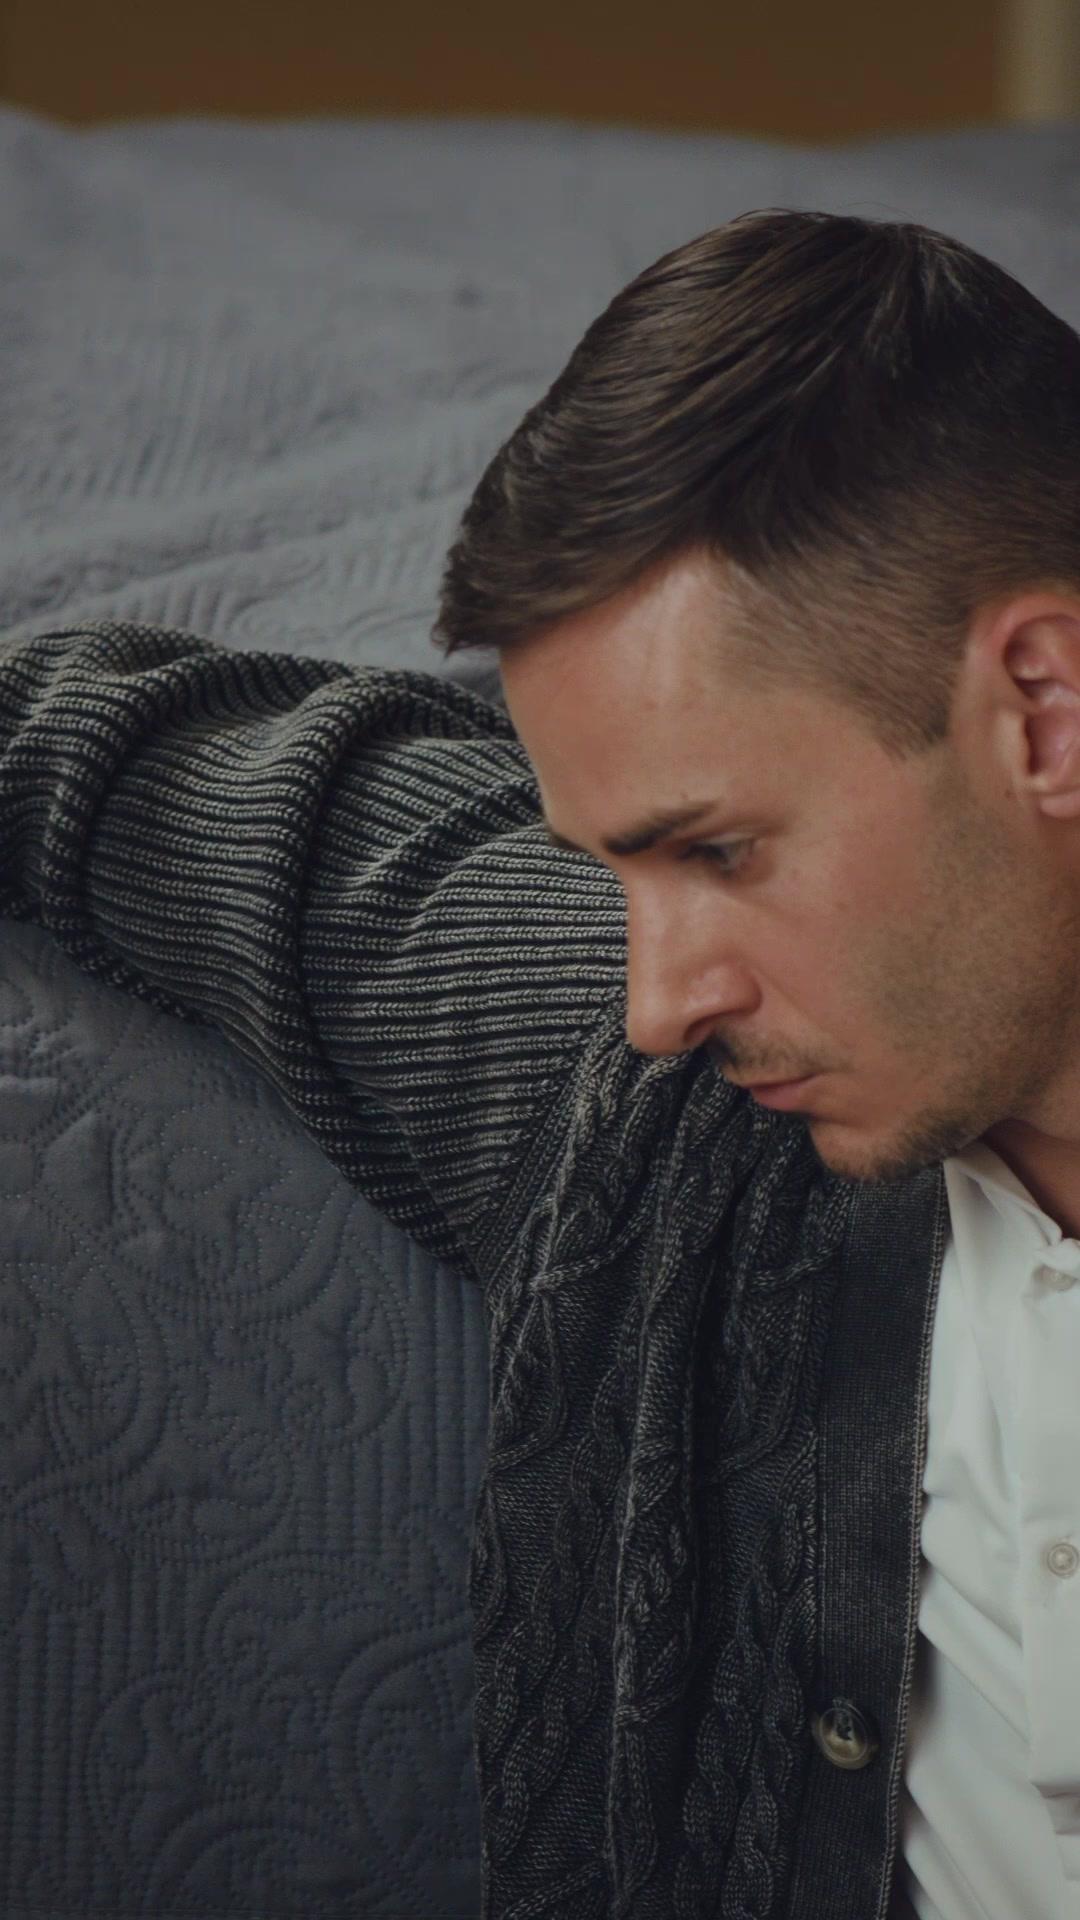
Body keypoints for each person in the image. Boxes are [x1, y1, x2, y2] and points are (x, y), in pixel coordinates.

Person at [3, 206, 1079, 1918]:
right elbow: (178, 779)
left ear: (1044, 707)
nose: (657, 1004)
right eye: (617, 868)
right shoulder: (669, 1136)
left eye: (718, 850)